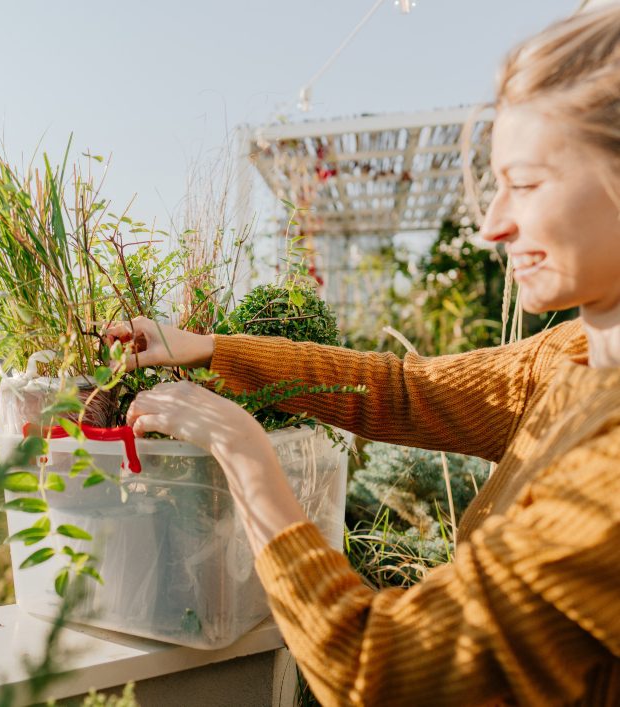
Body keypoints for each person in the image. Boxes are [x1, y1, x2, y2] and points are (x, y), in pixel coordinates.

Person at [105, 7, 620, 705]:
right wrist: (213, 350)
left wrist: (243, 449)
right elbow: (400, 390)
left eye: (523, 183)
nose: (495, 223)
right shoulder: (571, 356)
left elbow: (376, 668)